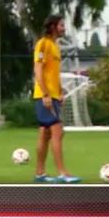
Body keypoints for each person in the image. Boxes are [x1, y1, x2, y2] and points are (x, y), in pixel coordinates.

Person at [32, 15, 80, 183]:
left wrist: (59, 92)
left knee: (45, 134)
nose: (63, 28)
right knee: (58, 132)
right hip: (44, 96)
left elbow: (53, 74)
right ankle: (63, 173)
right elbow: (38, 69)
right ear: (52, 26)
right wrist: (45, 94)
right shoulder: (43, 44)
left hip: (52, 95)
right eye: (61, 25)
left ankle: (40, 173)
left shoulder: (55, 46)